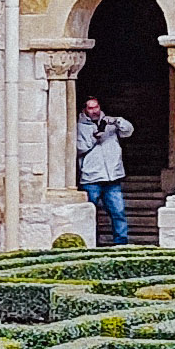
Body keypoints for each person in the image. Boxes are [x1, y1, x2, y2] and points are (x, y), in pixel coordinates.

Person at [75, 95, 136, 245]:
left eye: (96, 107)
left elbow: (128, 131)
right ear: (85, 110)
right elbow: (78, 148)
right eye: (90, 108)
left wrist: (117, 120)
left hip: (112, 178)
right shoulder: (79, 126)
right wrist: (94, 138)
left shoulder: (109, 123)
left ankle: (121, 244)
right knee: (89, 213)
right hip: (91, 178)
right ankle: (90, 242)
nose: (94, 111)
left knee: (118, 212)